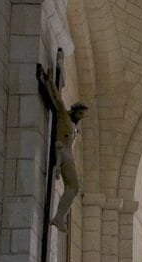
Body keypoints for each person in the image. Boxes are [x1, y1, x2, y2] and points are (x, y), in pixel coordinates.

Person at [38, 67, 87, 233]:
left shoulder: (73, 125)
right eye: (81, 114)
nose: (81, 117)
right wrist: (50, 81)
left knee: (74, 188)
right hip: (64, 153)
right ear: (75, 111)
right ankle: (59, 217)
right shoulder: (65, 117)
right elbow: (57, 101)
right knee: (73, 187)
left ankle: (59, 216)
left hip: (67, 155)